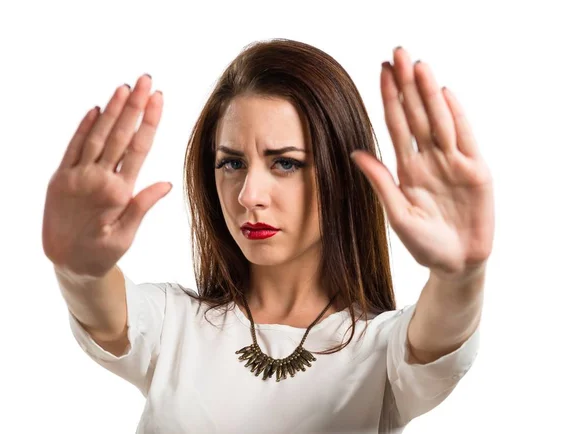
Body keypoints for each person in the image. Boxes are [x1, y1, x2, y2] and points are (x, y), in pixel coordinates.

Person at [42, 38, 494, 433]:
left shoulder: (382, 352)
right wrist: (79, 269)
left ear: (342, 175)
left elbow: (440, 334)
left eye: (286, 163)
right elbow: (104, 313)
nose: (249, 196)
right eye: (232, 163)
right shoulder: (171, 325)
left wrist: (461, 275)